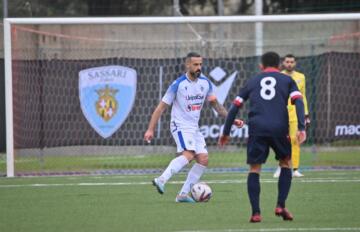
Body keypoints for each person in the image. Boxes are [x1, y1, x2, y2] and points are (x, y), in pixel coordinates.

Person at [218, 52, 306, 223]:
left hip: (257, 128)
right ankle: (280, 205)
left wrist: (226, 132)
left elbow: (234, 108)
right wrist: (301, 127)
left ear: (261, 66)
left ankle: (256, 213)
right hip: (280, 128)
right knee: (286, 163)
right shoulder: (287, 80)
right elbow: (299, 102)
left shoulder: (252, 81)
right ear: (280, 66)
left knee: (255, 169)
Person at [144, 52, 243, 203]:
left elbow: (215, 104)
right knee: (189, 154)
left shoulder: (205, 83)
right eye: (195, 65)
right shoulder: (178, 84)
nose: (199, 68)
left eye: (200, 64)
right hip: (179, 125)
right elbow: (160, 108)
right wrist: (150, 129)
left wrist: (232, 119)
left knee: (203, 159)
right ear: (187, 65)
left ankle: (183, 195)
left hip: (193, 127)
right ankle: (161, 180)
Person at [273, 54, 310, 178]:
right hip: (281, 112)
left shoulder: (301, 77)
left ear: (295, 63)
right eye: (287, 61)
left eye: (292, 62)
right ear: (283, 63)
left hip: (295, 113)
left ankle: (295, 169)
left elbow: (302, 96)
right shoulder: (279, 76)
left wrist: (305, 114)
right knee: (282, 140)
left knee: (295, 140)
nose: (289, 64)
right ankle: (280, 166)